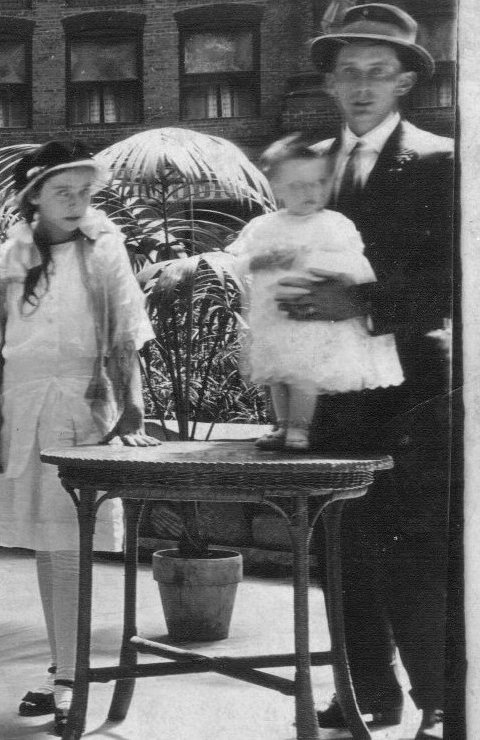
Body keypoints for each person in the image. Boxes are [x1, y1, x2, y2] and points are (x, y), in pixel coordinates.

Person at [275, 6, 455, 739]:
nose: (360, 86)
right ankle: (365, 698)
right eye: (347, 71)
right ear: (328, 80)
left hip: (412, 390)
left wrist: (360, 299)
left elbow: (456, 278)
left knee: (417, 550)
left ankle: (443, 699)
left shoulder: (444, 160)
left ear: (406, 80)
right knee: (339, 547)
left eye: (378, 72)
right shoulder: (307, 167)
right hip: (330, 392)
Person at [0, 141, 158, 734]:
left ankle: (73, 677)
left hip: (84, 406)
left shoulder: (106, 251)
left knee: (72, 545)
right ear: (34, 198)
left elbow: (126, 333)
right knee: (50, 549)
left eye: (83, 191)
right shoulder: (9, 258)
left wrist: (133, 412)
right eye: (61, 192)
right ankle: (63, 667)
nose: (76, 202)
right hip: (24, 408)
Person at [227, 135, 402, 451]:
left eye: (318, 183)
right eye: (297, 186)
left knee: (302, 370)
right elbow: (239, 263)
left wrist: (316, 265)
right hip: (274, 315)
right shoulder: (263, 226)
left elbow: (354, 265)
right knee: (277, 375)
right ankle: (281, 426)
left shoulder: (333, 224)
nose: (310, 192)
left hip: (312, 314)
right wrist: (264, 259)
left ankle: (299, 430)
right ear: (277, 189)